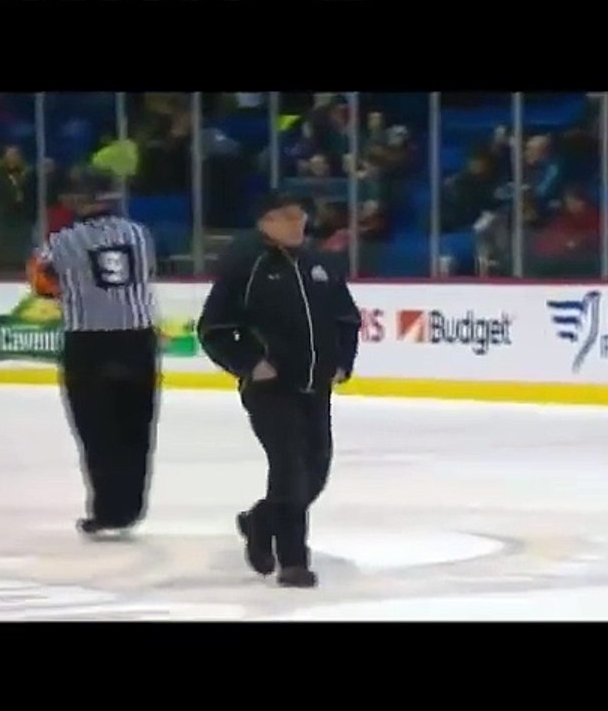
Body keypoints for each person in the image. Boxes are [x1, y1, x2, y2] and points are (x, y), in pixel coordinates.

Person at [197, 190, 360, 588]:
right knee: (289, 468)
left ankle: (261, 520)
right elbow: (215, 328)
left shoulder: (319, 263)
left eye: (300, 215)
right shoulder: (246, 265)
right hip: (271, 388)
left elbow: (346, 318)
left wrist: (342, 361)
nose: (297, 222)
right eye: (286, 216)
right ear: (265, 222)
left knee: (315, 471)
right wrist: (251, 363)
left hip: (316, 385)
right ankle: (293, 561)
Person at [27, 169, 160, 539]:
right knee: (136, 427)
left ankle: (107, 509)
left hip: (89, 341)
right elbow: (147, 270)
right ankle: (130, 508)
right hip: (136, 338)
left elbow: (40, 281)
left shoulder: (60, 241)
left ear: (78, 200)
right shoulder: (139, 234)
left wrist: (68, 288)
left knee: (96, 429)